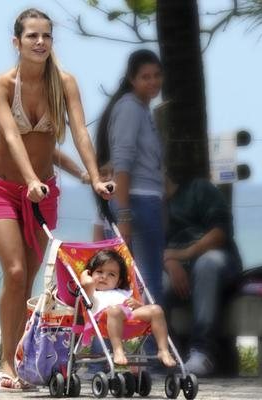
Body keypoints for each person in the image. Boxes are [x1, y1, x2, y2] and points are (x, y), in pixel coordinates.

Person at [0, 8, 113, 389]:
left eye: (46, 36)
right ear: (16, 42)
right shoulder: (1, 85)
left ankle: (21, 354)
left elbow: (80, 132)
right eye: (32, 36)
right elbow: (13, 137)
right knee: (15, 271)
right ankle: (5, 361)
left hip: (42, 192)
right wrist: (31, 179)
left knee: (30, 278)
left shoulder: (64, 82)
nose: (40, 42)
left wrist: (94, 177)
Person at [95, 49, 165, 303]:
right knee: (147, 279)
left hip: (145, 200)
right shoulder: (130, 109)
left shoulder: (141, 109)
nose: (153, 82)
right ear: (132, 79)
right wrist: (123, 214)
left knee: (139, 279)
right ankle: (151, 342)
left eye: (157, 75)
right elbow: (122, 164)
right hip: (137, 201)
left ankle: (139, 340)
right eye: (145, 77)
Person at [163, 176, 242, 376]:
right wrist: (169, 262)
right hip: (174, 269)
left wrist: (184, 254)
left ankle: (202, 351)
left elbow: (220, 232)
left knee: (207, 264)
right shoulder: (149, 207)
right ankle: (164, 353)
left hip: (219, 264)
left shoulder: (198, 190)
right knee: (155, 285)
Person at [79, 250, 177, 368]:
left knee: (156, 310)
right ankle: (118, 350)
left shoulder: (123, 292)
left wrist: (138, 305)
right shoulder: (92, 293)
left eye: (112, 274)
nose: (104, 277)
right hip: (105, 322)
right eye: (99, 272)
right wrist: (85, 275)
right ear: (91, 274)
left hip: (130, 320)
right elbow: (87, 284)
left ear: (118, 281)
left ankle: (163, 350)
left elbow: (137, 310)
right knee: (115, 310)